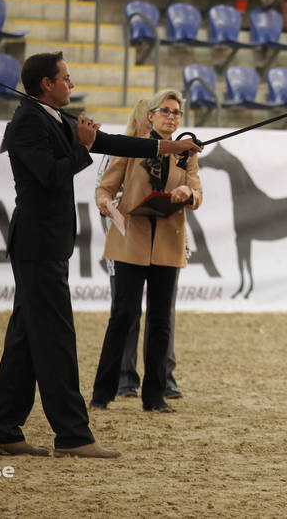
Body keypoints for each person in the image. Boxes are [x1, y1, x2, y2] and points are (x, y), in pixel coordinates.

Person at [0, 52, 201, 459]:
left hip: (48, 244)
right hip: (36, 244)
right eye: (66, 78)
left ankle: (3, 429)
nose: (72, 84)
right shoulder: (26, 122)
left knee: (26, 337)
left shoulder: (57, 118)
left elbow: (117, 143)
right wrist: (82, 148)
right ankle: (73, 436)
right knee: (56, 338)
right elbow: (49, 174)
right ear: (46, 84)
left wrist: (173, 145)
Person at [90, 89, 202, 413]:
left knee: (161, 320)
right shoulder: (131, 148)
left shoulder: (187, 153)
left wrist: (187, 193)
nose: (171, 117)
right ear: (150, 116)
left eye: (176, 113)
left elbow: (197, 191)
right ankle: (103, 392)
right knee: (123, 316)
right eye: (165, 111)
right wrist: (106, 205)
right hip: (130, 240)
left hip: (168, 241)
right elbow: (104, 188)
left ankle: (155, 396)